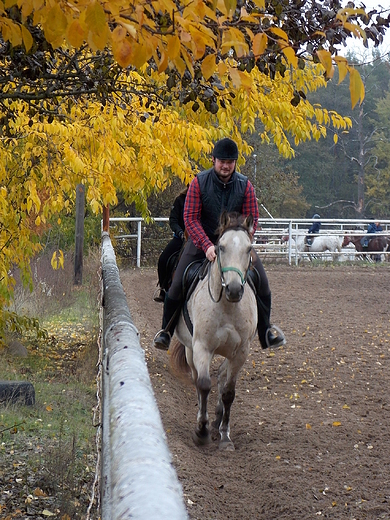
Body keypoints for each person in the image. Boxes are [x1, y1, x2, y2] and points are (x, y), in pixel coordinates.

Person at [153, 137, 286, 352]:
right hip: (200, 242)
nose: (225, 165)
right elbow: (190, 218)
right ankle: (166, 331)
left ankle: (266, 331)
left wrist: (241, 241)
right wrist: (206, 246)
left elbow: (252, 218)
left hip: (234, 245)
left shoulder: (245, 186)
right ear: (213, 160)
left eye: (230, 162)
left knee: (262, 282)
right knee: (177, 282)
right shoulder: (199, 182)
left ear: (235, 163)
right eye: (222, 161)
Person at [153, 187, 187, 303]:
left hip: (198, 239)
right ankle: (162, 288)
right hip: (181, 238)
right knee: (163, 260)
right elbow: (173, 220)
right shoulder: (180, 200)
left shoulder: (204, 200)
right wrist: (180, 232)